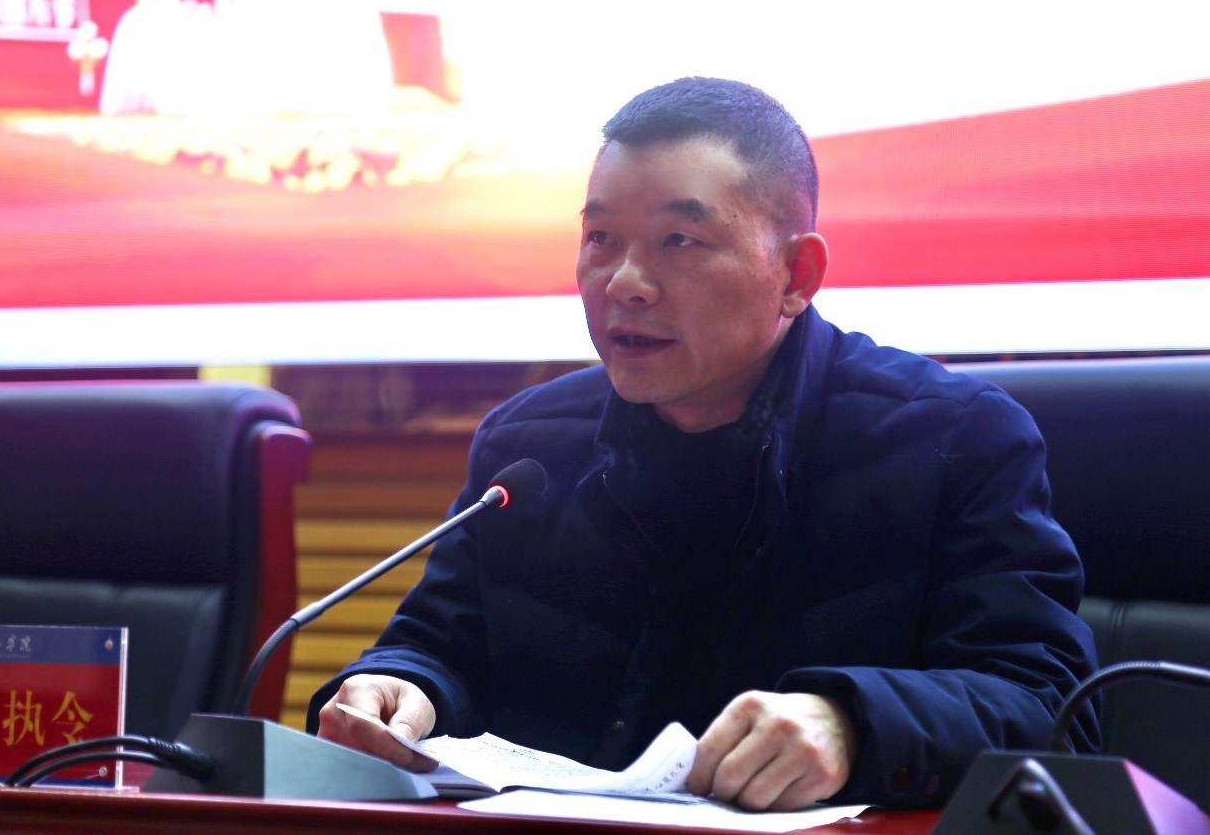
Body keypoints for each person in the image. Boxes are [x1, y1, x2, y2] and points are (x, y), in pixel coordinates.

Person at [307, 77, 1100, 811]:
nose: (624, 281)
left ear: (795, 274)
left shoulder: (949, 439)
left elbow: (1049, 708)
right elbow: (440, 648)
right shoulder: (529, 448)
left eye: (679, 241)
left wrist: (853, 723)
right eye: (600, 237)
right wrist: (400, 687)